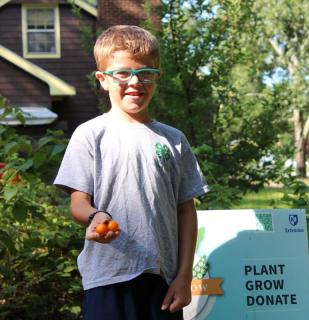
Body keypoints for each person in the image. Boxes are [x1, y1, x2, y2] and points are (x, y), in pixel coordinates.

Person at [54, 25, 209, 320]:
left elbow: (186, 211)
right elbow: (77, 203)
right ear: (103, 80)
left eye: (146, 73)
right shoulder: (90, 134)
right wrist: (94, 216)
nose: (135, 82)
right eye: (123, 73)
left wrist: (184, 277)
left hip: (163, 282)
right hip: (107, 278)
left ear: (156, 78)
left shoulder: (173, 140)